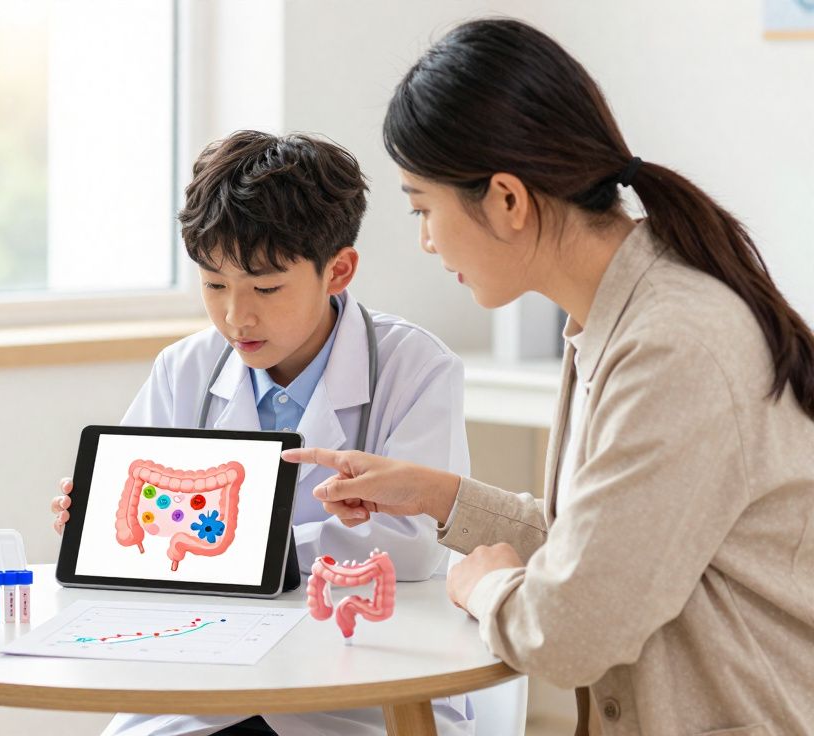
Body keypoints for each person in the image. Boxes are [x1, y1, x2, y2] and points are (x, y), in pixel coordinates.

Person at [287, 18, 814, 735]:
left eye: (423, 208)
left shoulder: (674, 344)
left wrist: (484, 586)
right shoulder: (615, 318)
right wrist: (436, 496)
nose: (426, 241)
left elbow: (567, 632)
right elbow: (605, 548)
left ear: (507, 199)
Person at [52, 131, 475, 735]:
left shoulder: (416, 368)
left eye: (266, 288)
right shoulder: (186, 370)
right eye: (214, 285)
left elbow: (408, 548)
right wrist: (101, 523)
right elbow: (138, 538)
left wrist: (233, 550)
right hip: (203, 683)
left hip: (359, 687)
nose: (235, 316)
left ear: (338, 270)